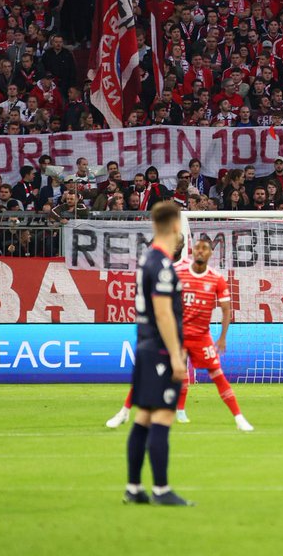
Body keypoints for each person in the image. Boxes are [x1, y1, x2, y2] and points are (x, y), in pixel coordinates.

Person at [107, 238, 252, 432]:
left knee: (218, 375)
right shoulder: (178, 273)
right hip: (176, 335)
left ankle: (239, 418)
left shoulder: (216, 278)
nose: (201, 252)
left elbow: (227, 309)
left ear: (210, 254)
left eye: (205, 249)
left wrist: (223, 337)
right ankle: (123, 413)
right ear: (192, 252)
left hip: (201, 337)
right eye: (198, 249)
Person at [123, 202, 192, 506]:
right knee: (163, 416)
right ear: (177, 227)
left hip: (145, 345)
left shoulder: (146, 260)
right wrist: (177, 357)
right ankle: (162, 490)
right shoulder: (163, 266)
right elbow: (164, 315)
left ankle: (134, 487)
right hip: (161, 350)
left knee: (144, 417)